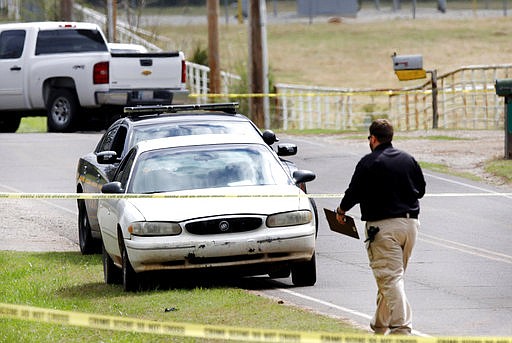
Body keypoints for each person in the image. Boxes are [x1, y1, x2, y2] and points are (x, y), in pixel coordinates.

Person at [336, 119, 426, 335]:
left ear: (373, 138)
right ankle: (379, 325)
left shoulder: (368, 162)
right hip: (410, 225)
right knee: (392, 277)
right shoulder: (408, 159)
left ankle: (401, 327)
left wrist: (341, 210)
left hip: (383, 228)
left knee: (390, 277)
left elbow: (353, 192)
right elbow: (421, 190)